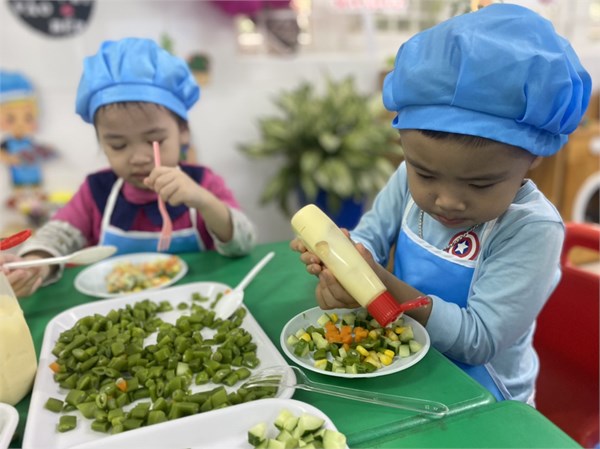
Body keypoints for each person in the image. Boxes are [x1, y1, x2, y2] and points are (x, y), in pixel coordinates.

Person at [291, 4, 591, 405]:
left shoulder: (531, 229)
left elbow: (479, 340)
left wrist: (381, 286)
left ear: (534, 156)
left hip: (488, 399)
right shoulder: (405, 178)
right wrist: (343, 265)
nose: (447, 200)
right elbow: (370, 238)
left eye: (480, 183)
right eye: (426, 174)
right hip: (410, 364)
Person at [3, 37, 256, 298]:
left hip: (197, 304)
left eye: (154, 141)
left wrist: (204, 201)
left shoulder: (203, 183)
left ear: (183, 132)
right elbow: (57, 236)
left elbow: (244, 243)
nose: (138, 157)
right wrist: (34, 264)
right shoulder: (96, 191)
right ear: (102, 143)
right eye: (118, 145)